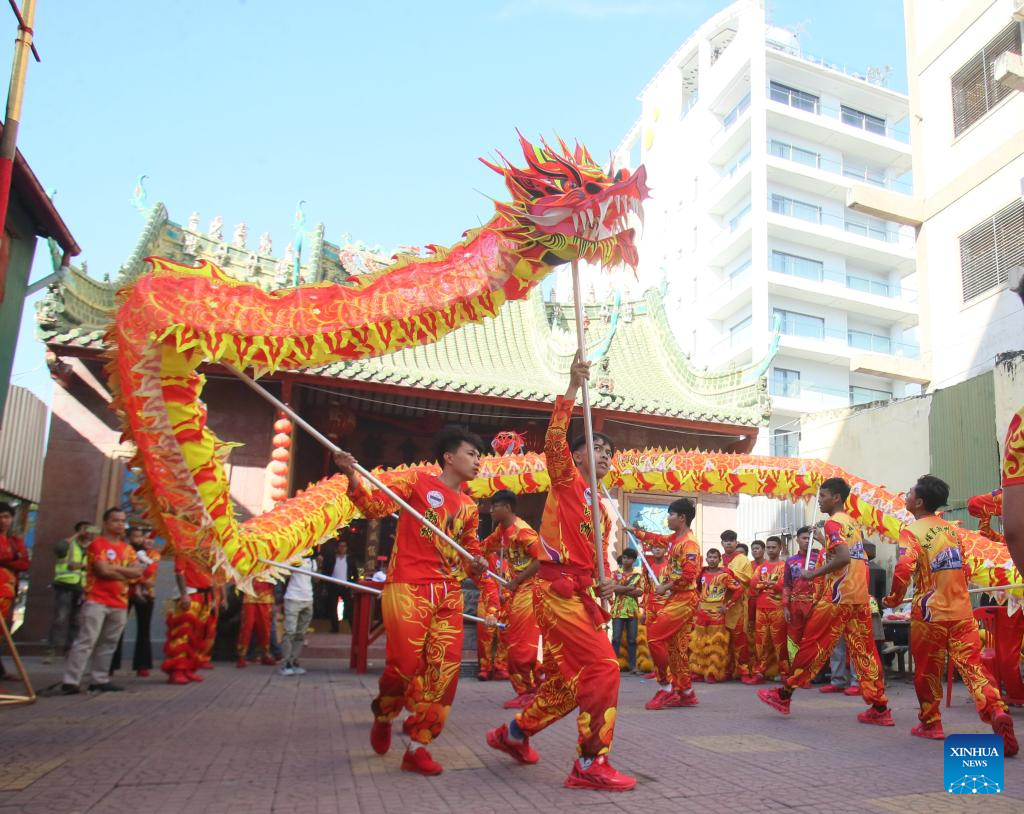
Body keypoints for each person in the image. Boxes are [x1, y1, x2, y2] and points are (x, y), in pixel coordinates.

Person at [486, 358, 635, 791]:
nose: (605, 455)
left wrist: (604, 582)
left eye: (610, 452)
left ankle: (514, 734)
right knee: (604, 668)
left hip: (581, 596)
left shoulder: (602, 512)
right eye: (597, 448)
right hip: (555, 592)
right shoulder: (567, 481)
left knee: (571, 685)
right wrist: (571, 387)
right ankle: (590, 763)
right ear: (576, 455)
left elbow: (595, 564)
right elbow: (554, 441)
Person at [334, 426, 488, 777]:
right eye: (472, 454)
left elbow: (470, 551)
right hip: (408, 586)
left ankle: (419, 744)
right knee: (403, 665)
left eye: (480, 456)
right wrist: (351, 477)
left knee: (446, 670)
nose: (478, 461)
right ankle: (385, 714)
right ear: (449, 457)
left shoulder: (469, 506)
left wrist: (477, 564)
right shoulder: (416, 483)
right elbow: (373, 506)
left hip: (448, 593)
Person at [883, 475, 1017, 753]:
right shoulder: (953, 531)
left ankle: (931, 723)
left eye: (909, 493)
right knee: (973, 667)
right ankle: (995, 710)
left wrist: (893, 598)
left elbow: (904, 569)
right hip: (962, 611)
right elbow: (965, 568)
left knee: (927, 671)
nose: (905, 496)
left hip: (930, 614)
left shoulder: (913, 531)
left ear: (919, 502)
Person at [758, 478, 893, 726]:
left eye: (823, 496)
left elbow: (842, 558)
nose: (819, 500)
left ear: (837, 498)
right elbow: (852, 556)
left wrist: (813, 573)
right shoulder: (851, 523)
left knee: (812, 644)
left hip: (838, 596)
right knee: (865, 651)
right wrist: (822, 541)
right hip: (858, 596)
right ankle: (880, 706)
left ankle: (783, 694)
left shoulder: (833, 523)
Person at [61, 508, 144, 693]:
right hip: (96, 599)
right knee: (86, 640)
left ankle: (99, 679)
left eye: (123, 521)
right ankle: (71, 681)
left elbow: (138, 572)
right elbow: (101, 571)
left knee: (109, 642)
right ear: (106, 523)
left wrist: (116, 570)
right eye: (116, 520)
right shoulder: (97, 544)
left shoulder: (128, 549)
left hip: (120, 602)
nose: (120, 524)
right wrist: (125, 572)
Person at [636, 497, 702, 711]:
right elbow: (657, 539)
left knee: (654, 636)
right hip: (677, 597)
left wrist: (667, 586)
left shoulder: (689, 544)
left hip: (684, 598)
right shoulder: (675, 539)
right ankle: (686, 692)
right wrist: (634, 531)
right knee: (676, 649)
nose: (668, 519)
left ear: (681, 518)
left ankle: (666, 687)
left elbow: (690, 573)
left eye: (671, 515)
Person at [481, 489, 543, 708]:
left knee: (520, 646)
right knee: (513, 642)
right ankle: (530, 689)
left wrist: (517, 581)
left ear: (506, 508)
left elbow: (541, 560)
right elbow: (485, 547)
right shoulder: (502, 530)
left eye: (493, 507)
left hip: (531, 589)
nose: (490, 511)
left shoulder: (522, 532)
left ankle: (530, 691)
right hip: (518, 592)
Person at [110, 527, 160, 677]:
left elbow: (149, 571)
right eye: (138, 537)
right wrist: (137, 578)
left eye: (145, 537)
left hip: (147, 595)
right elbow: (120, 569)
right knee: (116, 628)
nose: (143, 540)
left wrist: (136, 578)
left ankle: (142, 665)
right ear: (129, 538)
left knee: (144, 629)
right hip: (125, 592)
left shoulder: (154, 554)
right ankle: (111, 664)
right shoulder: (125, 551)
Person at [162, 553, 215, 685]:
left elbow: (212, 577)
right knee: (183, 632)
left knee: (197, 635)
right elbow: (179, 573)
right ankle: (177, 670)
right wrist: (184, 594)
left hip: (205, 596)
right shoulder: (184, 551)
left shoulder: (209, 554)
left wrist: (213, 598)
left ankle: (189, 668)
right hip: (191, 596)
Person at [691, 548, 742, 683]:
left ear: (719, 560)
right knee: (700, 643)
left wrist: (727, 606)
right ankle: (699, 672)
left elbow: (739, 590)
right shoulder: (701, 573)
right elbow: (696, 589)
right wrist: (697, 603)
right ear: (706, 559)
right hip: (702, 613)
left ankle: (714, 673)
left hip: (717, 613)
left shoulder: (724, 575)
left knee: (716, 643)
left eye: (715, 557)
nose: (712, 559)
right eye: (710, 557)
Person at [45, 521, 93, 663]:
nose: (88, 532)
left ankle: (69, 650)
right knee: (60, 618)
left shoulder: (93, 546)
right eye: (84, 529)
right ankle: (51, 650)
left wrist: (82, 566)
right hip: (65, 584)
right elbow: (59, 549)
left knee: (77, 621)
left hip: (82, 586)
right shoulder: (70, 544)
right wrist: (77, 535)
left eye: (89, 529)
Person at [747, 535, 787, 683]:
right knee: (760, 642)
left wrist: (768, 584)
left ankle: (784, 672)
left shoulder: (784, 566)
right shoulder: (761, 567)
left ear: (780, 548)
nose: (770, 550)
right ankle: (759, 672)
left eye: (773, 547)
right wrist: (771, 584)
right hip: (761, 608)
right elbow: (753, 585)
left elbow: (784, 586)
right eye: (768, 547)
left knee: (779, 642)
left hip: (778, 609)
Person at [0, 502, 30, 680]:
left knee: (3, 632)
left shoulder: (15, 541)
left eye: (6, 516)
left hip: (9, 591)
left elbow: (24, 563)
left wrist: (8, 559)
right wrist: (13, 556)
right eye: (0, 516)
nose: (3, 521)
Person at [783, 526, 822, 660]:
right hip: (795, 605)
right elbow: (787, 585)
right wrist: (785, 607)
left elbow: (834, 553)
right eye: (804, 538)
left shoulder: (820, 557)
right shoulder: (790, 561)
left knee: (812, 637)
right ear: (797, 540)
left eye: (809, 538)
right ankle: (795, 669)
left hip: (815, 603)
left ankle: (814, 672)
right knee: (794, 636)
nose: (807, 541)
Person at [720, 530, 753, 680]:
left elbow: (749, 579)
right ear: (722, 543)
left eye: (731, 540)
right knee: (723, 639)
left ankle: (744, 671)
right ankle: (725, 670)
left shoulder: (743, 559)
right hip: (720, 606)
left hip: (738, 606)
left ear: (736, 542)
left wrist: (730, 572)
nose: (728, 543)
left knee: (740, 638)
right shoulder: (717, 558)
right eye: (726, 540)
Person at [280, 549, 316, 676]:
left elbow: (315, 579)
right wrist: (291, 564)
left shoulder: (313, 561)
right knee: (290, 632)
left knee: (300, 633)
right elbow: (284, 575)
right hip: (293, 598)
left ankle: (293, 660)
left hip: (308, 599)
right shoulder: (293, 557)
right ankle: (285, 663)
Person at [610, 548, 643, 674]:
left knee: (632, 640)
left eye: (628, 558)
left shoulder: (637, 575)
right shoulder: (615, 573)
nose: (625, 560)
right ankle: (613, 666)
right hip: (617, 611)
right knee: (616, 639)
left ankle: (633, 666)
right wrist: (629, 588)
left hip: (632, 611)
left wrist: (621, 588)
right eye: (624, 557)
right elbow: (614, 588)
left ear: (633, 560)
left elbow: (639, 592)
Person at [236, 577, 276, 668]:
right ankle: (242, 655)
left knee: (265, 627)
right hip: (250, 596)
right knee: (247, 626)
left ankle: (265, 654)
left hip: (266, 597)